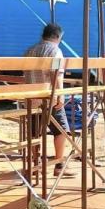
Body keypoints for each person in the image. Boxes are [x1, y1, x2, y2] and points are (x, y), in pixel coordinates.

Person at [24, 23, 70, 177]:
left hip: (31, 98)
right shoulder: (55, 50)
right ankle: (59, 164)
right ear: (57, 36)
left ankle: (35, 164)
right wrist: (60, 95)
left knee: (34, 133)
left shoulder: (30, 50)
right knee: (61, 130)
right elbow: (55, 75)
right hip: (49, 98)